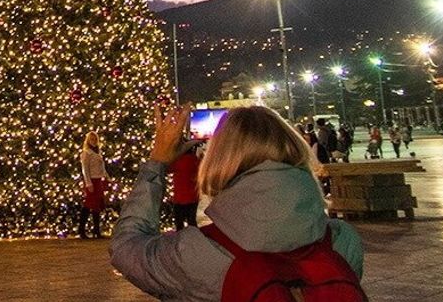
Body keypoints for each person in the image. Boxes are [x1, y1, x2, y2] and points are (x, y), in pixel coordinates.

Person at [111, 105, 365, 302]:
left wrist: (157, 162)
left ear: (219, 158)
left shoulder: (195, 253)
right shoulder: (343, 241)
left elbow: (124, 248)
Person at [79, 130, 108, 239]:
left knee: (97, 205)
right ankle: (81, 230)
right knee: (88, 204)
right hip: (92, 181)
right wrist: (88, 183)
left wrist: (106, 177)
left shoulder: (97, 152)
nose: (94, 141)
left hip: (98, 179)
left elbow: (102, 167)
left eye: (95, 139)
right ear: (88, 141)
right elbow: (85, 169)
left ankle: (96, 230)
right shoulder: (86, 153)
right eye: (91, 139)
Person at [169, 141, 201, 230]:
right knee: (192, 221)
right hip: (193, 197)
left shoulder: (177, 161)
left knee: (179, 223)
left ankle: (181, 236)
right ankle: (193, 236)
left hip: (180, 198)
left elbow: (168, 169)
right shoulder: (195, 160)